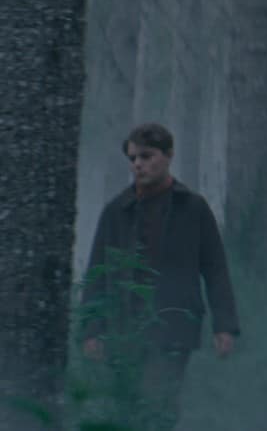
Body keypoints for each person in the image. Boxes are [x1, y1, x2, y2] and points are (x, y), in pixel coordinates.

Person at [81, 123, 239, 430]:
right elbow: (97, 271)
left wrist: (224, 325)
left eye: (146, 156)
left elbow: (215, 268)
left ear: (168, 155)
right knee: (125, 405)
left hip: (173, 325)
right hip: (124, 327)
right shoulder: (117, 211)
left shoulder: (192, 208)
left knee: (158, 403)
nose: (137, 165)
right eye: (132, 158)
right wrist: (91, 329)